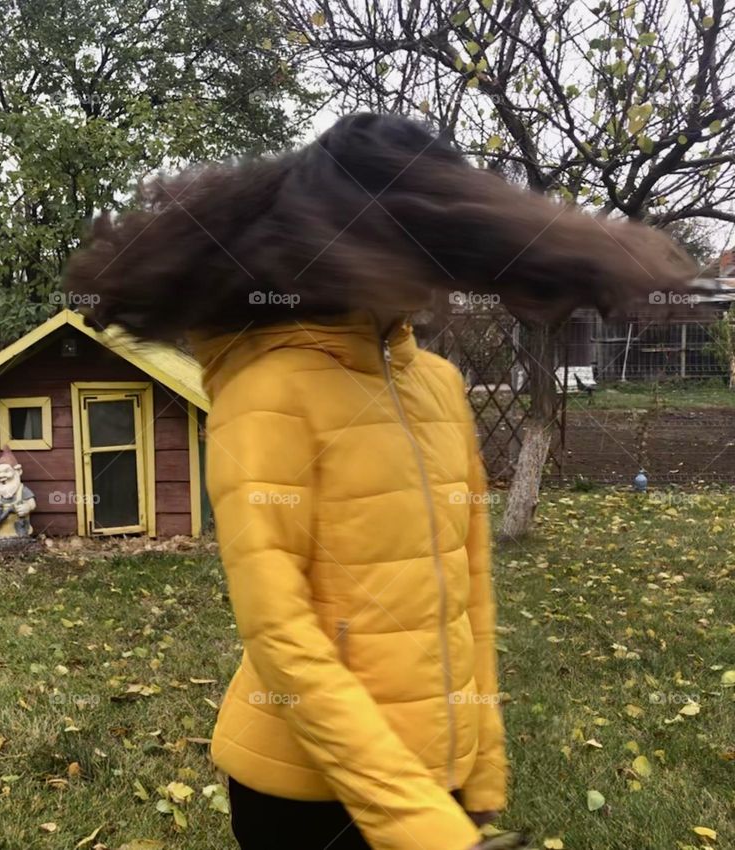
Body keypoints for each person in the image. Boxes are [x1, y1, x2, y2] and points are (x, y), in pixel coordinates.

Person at [64, 113, 694, 850]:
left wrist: (477, 774)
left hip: (435, 778)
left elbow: (471, 589)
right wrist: (418, 824)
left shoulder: (439, 385)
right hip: (306, 798)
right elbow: (280, 634)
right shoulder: (270, 390)